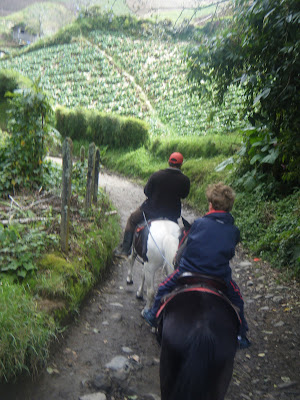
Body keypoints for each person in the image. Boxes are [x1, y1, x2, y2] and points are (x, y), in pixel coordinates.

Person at [142, 182, 251, 349]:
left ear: (211, 204)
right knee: (238, 300)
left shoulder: (198, 224)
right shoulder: (234, 230)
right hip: (219, 276)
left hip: (189, 271)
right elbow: (230, 251)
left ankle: (152, 314)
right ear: (229, 207)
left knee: (164, 286)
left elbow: (187, 247)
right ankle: (241, 334)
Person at [114, 152, 190, 259]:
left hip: (151, 211)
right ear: (181, 165)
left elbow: (146, 192)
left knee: (132, 219)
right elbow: (184, 195)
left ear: (169, 162)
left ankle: (125, 249)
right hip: (171, 215)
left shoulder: (157, 175)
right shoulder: (185, 180)